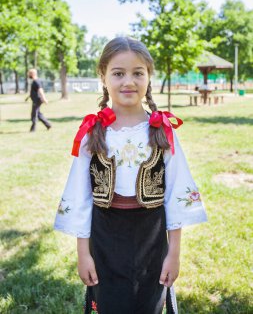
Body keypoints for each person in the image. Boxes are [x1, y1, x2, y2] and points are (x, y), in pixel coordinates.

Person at [54, 37, 207, 314]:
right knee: (110, 303)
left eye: (138, 73)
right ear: (103, 76)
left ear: (149, 76)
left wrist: (174, 253)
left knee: (147, 302)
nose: (128, 81)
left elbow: (175, 193)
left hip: (151, 236)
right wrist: (83, 253)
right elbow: (80, 196)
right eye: (118, 73)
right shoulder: (93, 132)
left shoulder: (161, 130)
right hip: (105, 237)